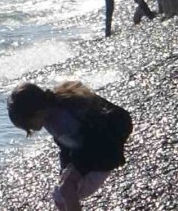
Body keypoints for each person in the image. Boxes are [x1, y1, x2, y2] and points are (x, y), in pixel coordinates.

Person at [7, 81, 132, 211]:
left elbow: (93, 139)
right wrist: (65, 169)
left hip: (106, 148)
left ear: (37, 112)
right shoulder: (50, 117)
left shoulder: (63, 117)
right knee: (59, 197)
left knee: (66, 190)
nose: (29, 129)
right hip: (90, 149)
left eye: (28, 124)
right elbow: (66, 146)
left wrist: (76, 167)